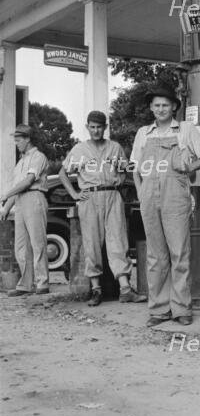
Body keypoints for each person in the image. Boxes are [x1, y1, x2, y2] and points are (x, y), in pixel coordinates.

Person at [131, 86, 200, 326]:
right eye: (156, 105)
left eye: (165, 105)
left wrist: (190, 167)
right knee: (155, 255)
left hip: (176, 195)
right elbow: (135, 168)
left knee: (179, 252)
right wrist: (140, 191)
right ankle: (158, 309)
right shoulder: (143, 133)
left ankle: (181, 308)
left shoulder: (186, 129)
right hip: (148, 195)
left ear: (174, 107)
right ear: (151, 108)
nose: (160, 109)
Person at [58, 111, 145, 307]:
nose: (96, 130)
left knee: (118, 241)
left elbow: (124, 171)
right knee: (92, 244)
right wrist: (74, 194)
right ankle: (96, 290)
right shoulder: (79, 149)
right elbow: (63, 173)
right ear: (87, 127)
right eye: (92, 127)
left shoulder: (114, 147)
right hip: (90, 196)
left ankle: (125, 289)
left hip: (112, 196)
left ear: (105, 127)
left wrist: (118, 184)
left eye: (99, 127)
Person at [0, 124, 50, 296]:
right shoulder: (20, 162)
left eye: (18, 139)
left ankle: (42, 283)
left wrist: (6, 194)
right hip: (20, 201)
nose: (16, 143)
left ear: (28, 139)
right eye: (15, 140)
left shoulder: (38, 157)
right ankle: (25, 284)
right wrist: (6, 207)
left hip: (35, 197)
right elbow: (17, 187)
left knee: (38, 242)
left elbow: (28, 182)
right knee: (21, 246)